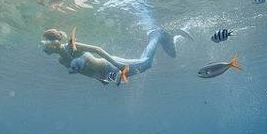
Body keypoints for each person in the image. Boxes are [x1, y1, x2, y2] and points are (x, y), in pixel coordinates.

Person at [41, 27, 192, 85]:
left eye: (44, 43)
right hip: (108, 73)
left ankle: (156, 35)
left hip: (112, 65)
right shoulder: (62, 60)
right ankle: (162, 38)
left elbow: (97, 49)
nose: (42, 48)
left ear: (53, 43)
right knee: (146, 66)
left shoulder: (72, 46)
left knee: (146, 63)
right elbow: (85, 72)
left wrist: (117, 65)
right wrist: (101, 80)